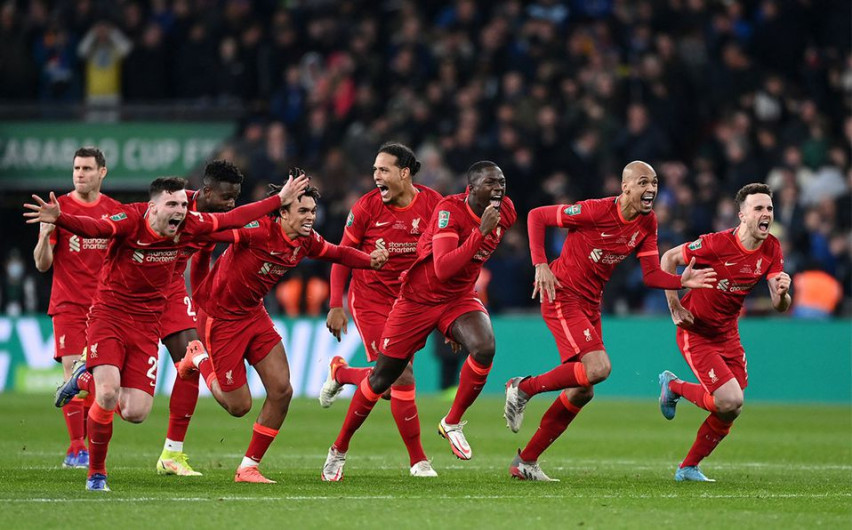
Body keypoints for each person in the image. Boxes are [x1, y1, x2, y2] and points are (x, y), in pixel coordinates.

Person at [25, 174, 309, 491]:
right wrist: (61, 218)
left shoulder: (193, 222)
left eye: (183, 206)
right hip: (113, 312)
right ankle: (96, 473)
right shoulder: (132, 218)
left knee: (138, 410)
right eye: (173, 205)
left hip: (158, 302)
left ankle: (165, 446)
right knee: (108, 394)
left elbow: (229, 222)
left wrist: (277, 199)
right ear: (155, 207)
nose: (180, 211)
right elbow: (97, 228)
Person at [503, 160, 717, 481]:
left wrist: (682, 282)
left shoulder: (647, 223)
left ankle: (526, 462)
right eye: (643, 182)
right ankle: (523, 388)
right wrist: (540, 264)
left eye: (655, 183)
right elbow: (536, 216)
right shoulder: (595, 211)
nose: (651, 189)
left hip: (590, 304)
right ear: (626, 186)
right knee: (599, 369)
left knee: (582, 391)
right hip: (562, 293)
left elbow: (651, 275)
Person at [179, 182, 388, 484]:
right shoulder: (257, 230)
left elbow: (337, 252)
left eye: (313, 211)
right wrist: (192, 224)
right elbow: (214, 231)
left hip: (254, 315)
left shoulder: (305, 242)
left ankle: (248, 467)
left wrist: (369, 260)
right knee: (239, 406)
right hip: (220, 318)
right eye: (302, 210)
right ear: (282, 212)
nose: (310, 217)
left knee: (282, 391)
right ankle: (198, 358)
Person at [321, 160, 517, 481]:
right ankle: (339, 448)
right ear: (470, 188)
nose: (498, 189)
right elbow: (443, 268)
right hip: (417, 299)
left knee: (483, 347)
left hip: (457, 299)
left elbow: (468, 268)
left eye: (502, 182)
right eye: (490, 183)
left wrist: (455, 324)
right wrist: (480, 233)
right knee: (383, 381)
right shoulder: (448, 212)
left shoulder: (505, 212)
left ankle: (450, 423)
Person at [321, 143, 443, 478]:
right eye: (375, 170)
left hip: (411, 303)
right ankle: (418, 461)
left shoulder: (434, 205)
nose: (376, 176)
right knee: (398, 376)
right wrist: (336, 304)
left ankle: (341, 373)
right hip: (371, 300)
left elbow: (443, 257)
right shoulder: (366, 208)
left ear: (404, 173)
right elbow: (342, 255)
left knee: (389, 385)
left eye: (384, 170)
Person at [657, 183, 791, 482]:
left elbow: (779, 305)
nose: (765, 213)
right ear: (742, 215)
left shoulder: (772, 248)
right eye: (758, 208)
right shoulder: (716, 244)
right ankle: (674, 386)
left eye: (769, 208)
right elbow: (667, 259)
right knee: (729, 400)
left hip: (728, 334)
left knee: (731, 408)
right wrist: (675, 306)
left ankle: (688, 468)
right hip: (697, 331)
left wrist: (783, 294)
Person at [33, 147, 121, 469]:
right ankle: (76, 448)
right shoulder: (60, 209)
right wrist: (44, 236)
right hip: (69, 304)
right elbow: (43, 265)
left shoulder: (114, 211)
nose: (80, 174)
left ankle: (85, 442)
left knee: (99, 383)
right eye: (76, 168)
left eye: (86, 168)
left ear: (102, 172)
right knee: (74, 371)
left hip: (106, 309)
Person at [155, 160, 244, 477]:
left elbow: (203, 255)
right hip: (135, 291)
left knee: (190, 360)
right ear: (206, 191)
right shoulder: (173, 206)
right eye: (227, 197)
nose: (231, 203)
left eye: (235, 197)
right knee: (128, 404)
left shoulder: (213, 221)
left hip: (172, 292)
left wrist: (201, 296)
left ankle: (172, 455)